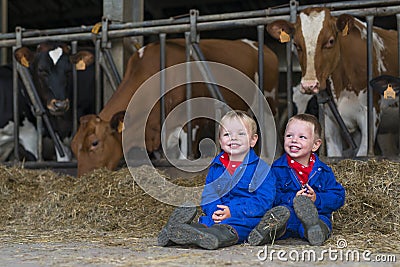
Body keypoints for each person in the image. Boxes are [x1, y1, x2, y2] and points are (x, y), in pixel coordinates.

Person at [158, 110, 276, 249]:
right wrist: (215, 211)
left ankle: (203, 236)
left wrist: (232, 211)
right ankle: (181, 231)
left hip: (243, 218)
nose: (233, 138)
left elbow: (263, 200)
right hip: (215, 217)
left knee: (235, 227)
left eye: (241, 133)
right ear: (220, 141)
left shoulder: (261, 169)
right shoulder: (217, 166)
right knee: (205, 222)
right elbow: (209, 194)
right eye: (227, 134)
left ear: (253, 140)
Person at [248, 113, 345, 246]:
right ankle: (267, 232)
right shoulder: (276, 169)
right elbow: (270, 196)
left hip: (316, 215)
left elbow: (338, 196)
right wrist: (293, 199)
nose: (294, 140)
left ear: (315, 145)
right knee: (279, 219)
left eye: (302, 137)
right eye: (289, 136)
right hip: (288, 216)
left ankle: (315, 232)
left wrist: (316, 199)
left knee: (321, 222)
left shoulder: (323, 171)